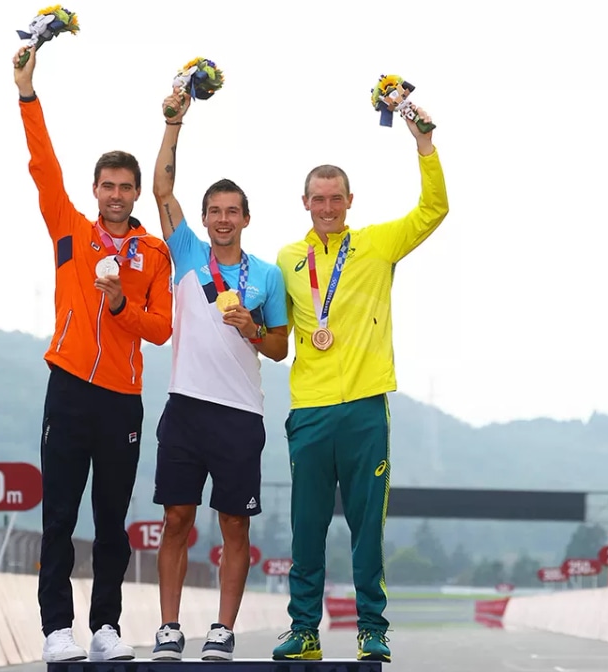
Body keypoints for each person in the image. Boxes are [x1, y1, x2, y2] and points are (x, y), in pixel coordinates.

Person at [271, 102, 449, 664]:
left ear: (351, 202)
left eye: (336, 199)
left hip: (367, 408)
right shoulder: (287, 259)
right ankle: (304, 630)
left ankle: (373, 628)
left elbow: (433, 209)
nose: (327, 208)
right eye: (317, 200)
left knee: (366, 529)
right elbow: (277, 328)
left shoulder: (376, 244)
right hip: (311, 411)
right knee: (307, 531)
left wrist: (423, 144)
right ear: (305, 203)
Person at [12, 45, 174, 663]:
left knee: (112, 520)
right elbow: (41, 162)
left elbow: (159, 328)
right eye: (106, 185)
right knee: (59, 515)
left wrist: (116, 308)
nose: (115, 195)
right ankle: (58, 629)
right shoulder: (69, 228)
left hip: (122, 399)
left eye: (125, 188)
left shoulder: (152, 254)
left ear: (135, 194)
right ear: (94, 190)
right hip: (70, 387)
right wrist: (27, 91)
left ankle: (105, 626)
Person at [147, 86, 290, 661]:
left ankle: (223, 630)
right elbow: (161, 188)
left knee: (234, 524)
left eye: (233, 211)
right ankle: (169, 628)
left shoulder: (269, 276)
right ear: (204, 219)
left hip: (240, 413)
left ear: (246, 218)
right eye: (215, 211)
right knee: (176, 517)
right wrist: (175, 123)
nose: (223, 219)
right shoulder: (184, 252)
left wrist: (251, 329)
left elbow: (280, 348)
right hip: (185, 406)